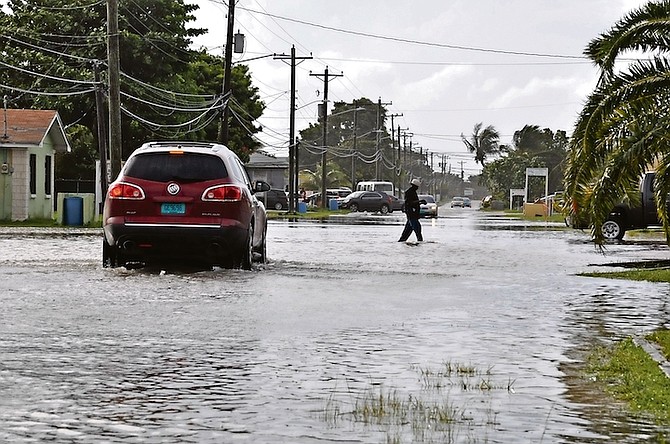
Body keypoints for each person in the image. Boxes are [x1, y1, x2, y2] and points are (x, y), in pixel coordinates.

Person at [398, 178, 426, 242]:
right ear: (414, 186)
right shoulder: (409, 192)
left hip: (413, 215)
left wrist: (420, 202)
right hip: (411, 215)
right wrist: (420, 201)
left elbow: (414, 202)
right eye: (417, 187)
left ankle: (401, 242)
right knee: (417, 230)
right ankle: (420, 243)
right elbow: (409, 202)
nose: (417, 188)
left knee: (406, 233)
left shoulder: (413, 192)